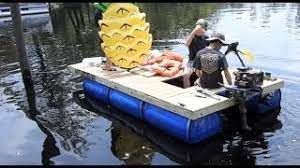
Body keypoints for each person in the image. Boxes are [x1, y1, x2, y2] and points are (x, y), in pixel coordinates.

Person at [183, 19, 210, 88]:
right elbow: (187, 44)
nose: (205, 31)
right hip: (192, 61)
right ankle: (187, 92)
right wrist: (194, 31)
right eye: (204, 29)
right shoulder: (191, 37)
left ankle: (203, 85)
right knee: (186, 75)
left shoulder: (206, 37)